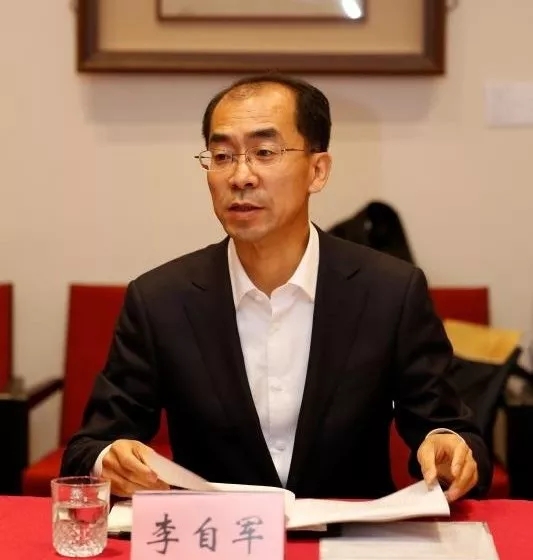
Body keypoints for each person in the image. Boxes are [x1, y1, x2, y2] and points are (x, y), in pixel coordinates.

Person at [60, 74, 492, 502]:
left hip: (349, 533)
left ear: (317, 171)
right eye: (222, 155)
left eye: (264, 152)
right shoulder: (160, 300)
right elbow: (88, 448)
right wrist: (109, 458)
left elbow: (452, 428)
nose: (240, 176)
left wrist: (448, 448)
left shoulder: (390, 291)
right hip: (217, 534)